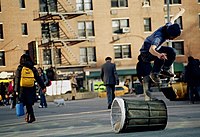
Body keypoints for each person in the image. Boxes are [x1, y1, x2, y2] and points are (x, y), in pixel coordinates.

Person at [139, 17, 181, 83]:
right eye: (173, 37)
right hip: (146, 53)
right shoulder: (159, 37)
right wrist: (159, 55)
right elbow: (151, 49)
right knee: (161, 56)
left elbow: (172, 19)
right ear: (169, 34)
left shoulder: (168, 26)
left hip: (155, 49)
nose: (173, 39)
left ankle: (165, 70)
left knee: (172, 51)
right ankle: (154, 74)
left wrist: (181, 11)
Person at [14, 54, 46, 123]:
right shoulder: (32, 68)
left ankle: (28, 115)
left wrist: (16, 90)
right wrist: (43, 87)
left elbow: (17, 79)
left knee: (22, 102)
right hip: (31, 87)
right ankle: (30, 116)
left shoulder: (20, 68)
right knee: (29, 103)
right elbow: (38, 78)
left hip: (22, 88)